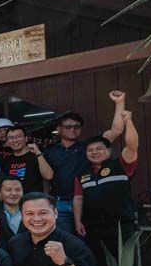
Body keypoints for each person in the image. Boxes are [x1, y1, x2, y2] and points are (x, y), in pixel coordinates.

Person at [73, 109, 138, 266]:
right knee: (99, 260)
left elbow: (132, 145)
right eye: (90, 150)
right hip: (93, 225)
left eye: (99, 149)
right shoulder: (82, 174)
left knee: (126, 260)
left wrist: (129, 122)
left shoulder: (122, 165)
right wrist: (78, 222)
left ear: (108, 151)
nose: (94, 152)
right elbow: (78, 197)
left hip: (121, 223)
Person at [43, 91, 128, 232]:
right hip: (60, 203)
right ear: (59, 129)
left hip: (86, 202)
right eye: (68, 126)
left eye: (77, 126)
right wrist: (46, 200)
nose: (73, 129)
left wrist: (119, 103)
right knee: (64, 240)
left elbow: (116, 130)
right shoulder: (49, 152)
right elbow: (46, 179)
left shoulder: (88, 147)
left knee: (87, 239)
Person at [0, 126, 53, 194]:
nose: (15, 140)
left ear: (26, 138)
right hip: (14, 198)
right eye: (11, 138)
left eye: (18, 136)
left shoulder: (36, 156)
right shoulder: (6, 161)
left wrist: (38, 153)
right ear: (7, 142)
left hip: (34, 198)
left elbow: (48, 176)